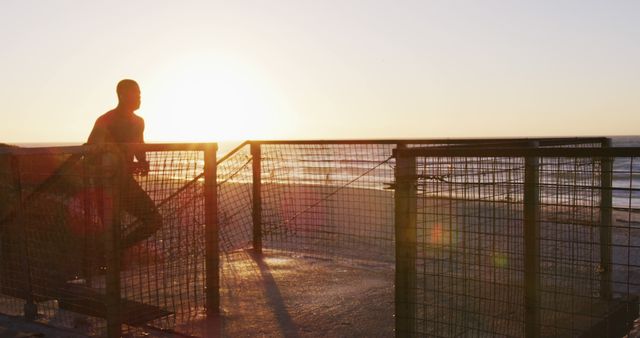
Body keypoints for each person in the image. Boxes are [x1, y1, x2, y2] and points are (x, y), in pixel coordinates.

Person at [87, 79, 162, 249]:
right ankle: (110, 257)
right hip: (104, 185)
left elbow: (138, 146)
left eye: (140, 94)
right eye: (136, 93)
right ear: (122, 95)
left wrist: (142, 162)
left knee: (154, 219)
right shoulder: (106, 120)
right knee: (111, 231)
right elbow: (91, 150)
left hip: (126, 183)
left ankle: (120, 248)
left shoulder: (139, 121)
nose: (140, 97)